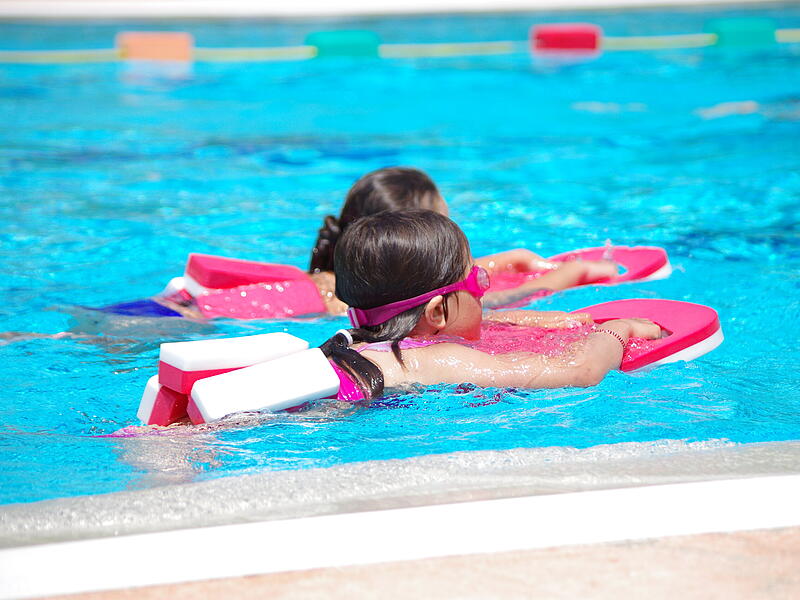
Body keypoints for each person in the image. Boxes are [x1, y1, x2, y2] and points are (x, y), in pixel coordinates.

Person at [320, 210, 661, 401]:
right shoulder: (433, 359)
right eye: (478, 281)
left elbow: (473, 327)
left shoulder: (354, 344)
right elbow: (581, 373)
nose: (484, 293)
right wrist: (617, 330)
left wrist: (521, 322)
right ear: (437, 312)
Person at [307, 166, 619, 312]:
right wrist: (569, 274)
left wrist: (510, 260)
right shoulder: (365, 304)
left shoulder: (349, 282)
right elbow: (497, 302)